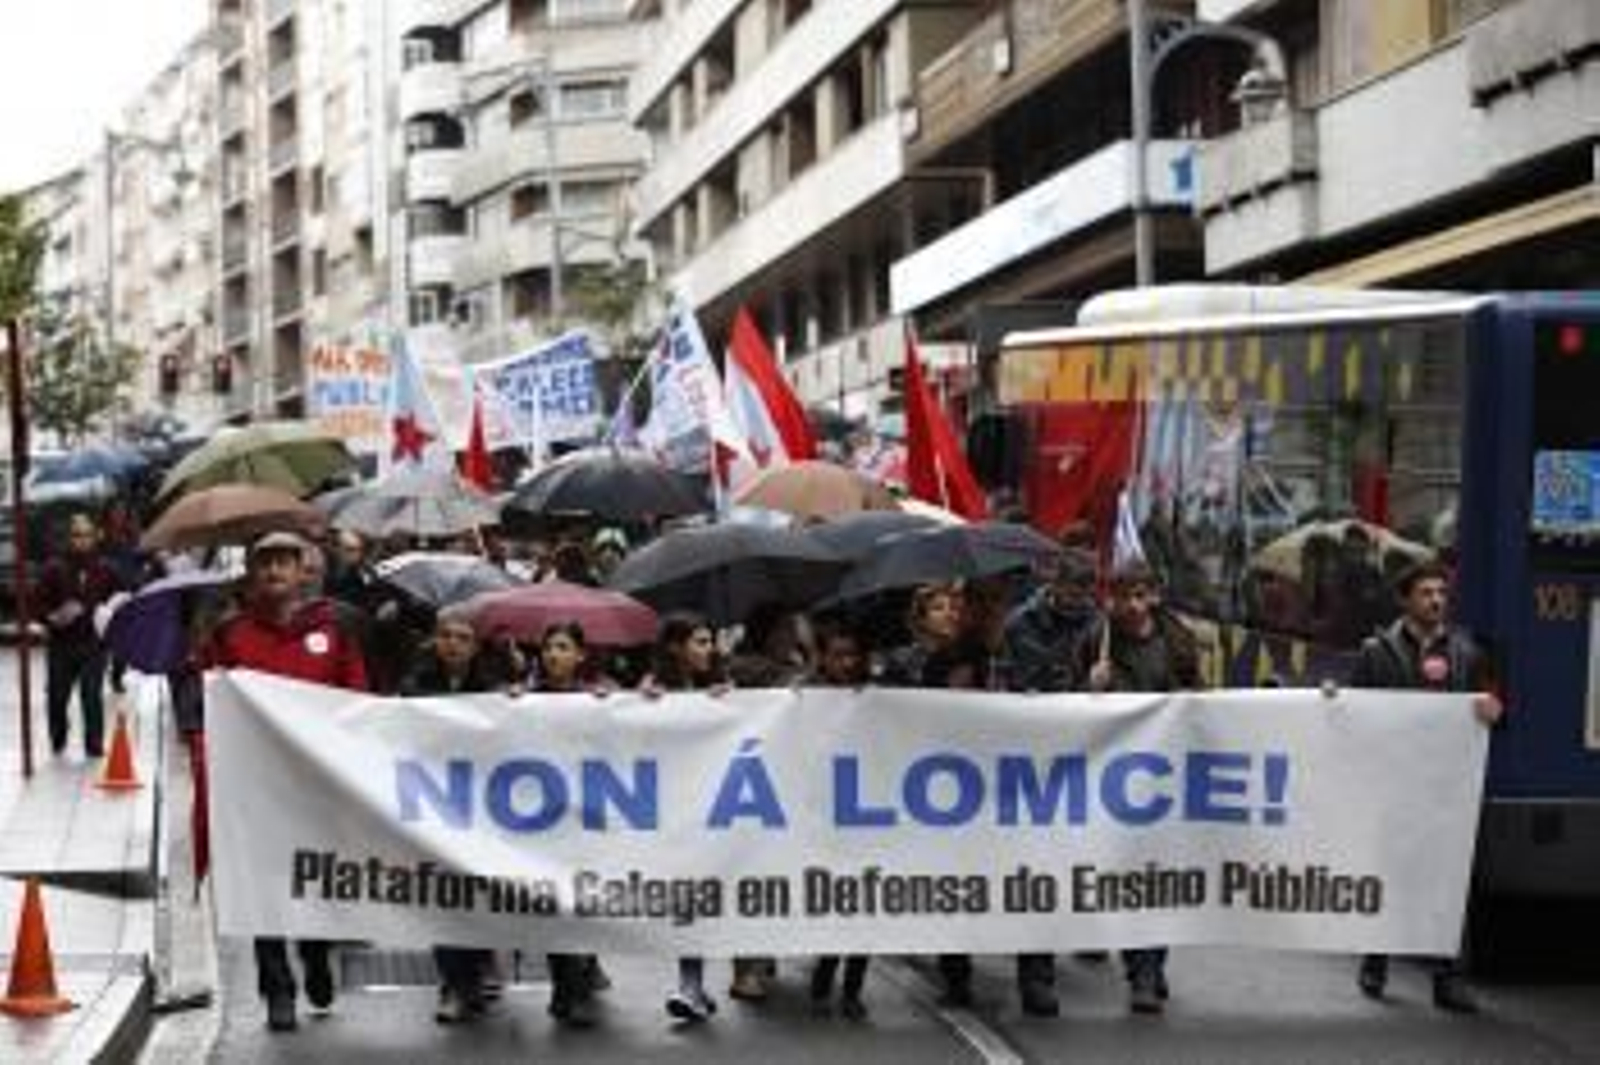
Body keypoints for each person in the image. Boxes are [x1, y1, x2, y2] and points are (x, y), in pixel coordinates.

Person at [202, 531, 369, 1033]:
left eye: (284, 562)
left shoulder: (333, 629)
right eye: (265, 562)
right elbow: (206, 695)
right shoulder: (230, 633)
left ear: (303, 571)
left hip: (314, 786)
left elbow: (358, 697)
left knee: (311, 880)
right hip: (254, 785)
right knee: (262, 886)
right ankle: (276, 989)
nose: (275, 571)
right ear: (252, 573)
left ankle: (316, 956)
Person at [1347, 558, 1503, 1014]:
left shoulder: (1467, 652)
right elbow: (1353, 713)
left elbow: (1495, 702)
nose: (1436, 600)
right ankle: (1375, 959)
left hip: (1444, 788)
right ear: (1406, 600)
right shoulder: (1376, 652)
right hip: (1393, 783)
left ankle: (1447, 978)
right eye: (1426, 593)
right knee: (1387, 872)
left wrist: (1495, 709)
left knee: (1446, 879)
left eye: (1441, 593)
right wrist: (1335, 698)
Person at [1077, 559, 1201, 1015]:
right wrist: (1089, 686)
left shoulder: (1178, 639)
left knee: (1160, 875)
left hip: (1167, 775)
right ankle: (1141, 971)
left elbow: (1199, 694)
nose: (1132, 606)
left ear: (1153, 596)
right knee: (1130, 874)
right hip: (1117, 777)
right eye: (1123, 596)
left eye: (1140, 595)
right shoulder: (1097, 640)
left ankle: (1153, 962)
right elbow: (1068, 706)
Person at [994, 546, 1103, 1017]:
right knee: (1037, 869)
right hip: (1034, 762)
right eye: (1072, 589)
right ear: (1054, 585)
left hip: (1087, 760)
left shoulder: (1100, 626)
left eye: (1086, 590)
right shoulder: (1022, 625)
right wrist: (1080, 686)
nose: (1080, 598)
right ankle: (1035, 977)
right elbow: (1022, 683)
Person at [878, 583, 991, 1009]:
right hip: (914, 782)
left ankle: (957, 974)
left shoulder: (975, 657)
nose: (949, 614)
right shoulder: (900, 662)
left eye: (953, 607)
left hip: (963, 783)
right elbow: (887, 712)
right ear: (920, 618)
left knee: (954, 878)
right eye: (938, 608)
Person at [399, 610, 509, 1025]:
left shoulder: (493, 689)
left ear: (475, 646)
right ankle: (453, 984)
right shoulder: (414, 686)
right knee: (443, 896)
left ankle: (479, 966)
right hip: (434, 806)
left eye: (462, 637)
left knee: (479, 894)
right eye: (445, 636)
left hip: (483, 809)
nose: (453, 644)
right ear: (434, 641)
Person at [646, 614, 729, 1024]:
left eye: (710, 641)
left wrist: (730, 701)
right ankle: (691, 985)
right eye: (700, 641)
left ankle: (694, 985)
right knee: (686, 898)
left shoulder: (721, 685)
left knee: (702, 898)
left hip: (716, 811)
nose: (708, 649)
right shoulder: (653, 689)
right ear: (675, 647)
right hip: (670, 813)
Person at [530, 622, 607, 1028]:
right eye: (548, 647)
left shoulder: (599, 697)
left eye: (562, 647)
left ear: (580, 655)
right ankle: (567, 988)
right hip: (543, 819)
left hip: (588, 815)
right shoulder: (525, 698)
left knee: (583, 901)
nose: (553, 654)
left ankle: (579, 976)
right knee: (554, 903)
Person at [807, 621, 872, 1020]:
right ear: (822, 658)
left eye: (853, 655)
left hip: (868, 816)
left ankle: (853, 989)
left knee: (866, 904)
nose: (847, 663)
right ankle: (826, 970)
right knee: (836, 900)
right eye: (838, 655)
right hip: (825, 816)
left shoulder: (876, 696)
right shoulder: (803, 695)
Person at [37, 512, 123, 759]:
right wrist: (52, 617)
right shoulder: (54, 568)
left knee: (91, 693)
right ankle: (58, 738)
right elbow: (37, 603)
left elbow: (122, 597)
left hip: (94, 644)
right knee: (57, 696)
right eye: (77, 535)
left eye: (86, 535)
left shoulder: (107, 568)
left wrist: (111, 613)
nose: (82, 540)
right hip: (61, 644)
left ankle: (94, 745)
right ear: (69, 538)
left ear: (95, 537)